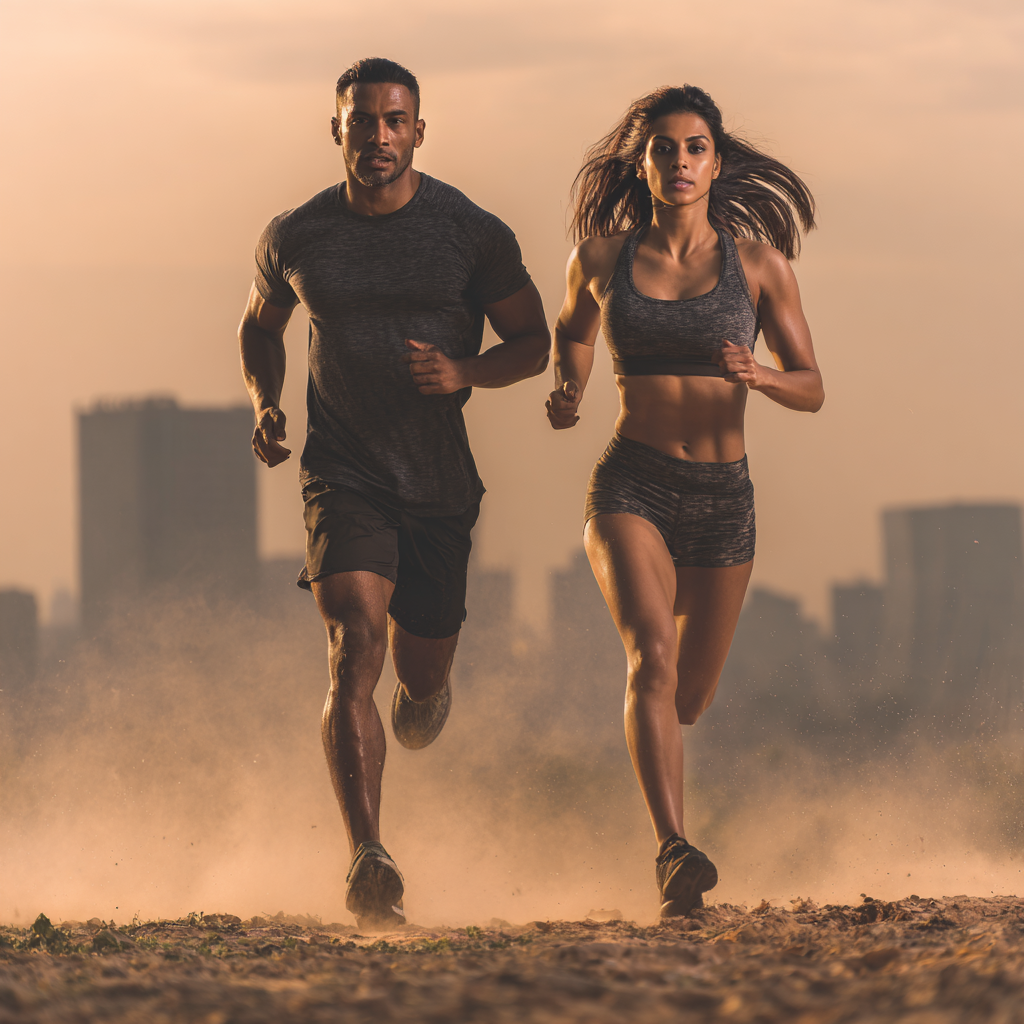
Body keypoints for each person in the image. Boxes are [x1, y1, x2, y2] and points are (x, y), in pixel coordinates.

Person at [239, 57, 550, 929]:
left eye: (393, 121)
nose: (377, 136)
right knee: (353, 642)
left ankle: (426, 692)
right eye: (361, 120)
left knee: (415, 675)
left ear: (418, 130)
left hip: (439, 485)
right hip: (342, 472)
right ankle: (367, 855)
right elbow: (258, 327)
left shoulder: (470, 231)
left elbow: (533, 340)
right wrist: (266, 403)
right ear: (334, 130)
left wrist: (466, 370)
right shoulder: (296, 234)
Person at [546, 85, 823, 918]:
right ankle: (673, 849)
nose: (679, 161)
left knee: (690, 696)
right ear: (643, 164)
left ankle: (668, 789)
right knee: (652, 662)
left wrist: (762, 375)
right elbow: (572, 333)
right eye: (663, 148)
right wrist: (569, 388)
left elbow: (812, 386)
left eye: (694, 147)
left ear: (717, 161)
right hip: (631, 481)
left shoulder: (760, 266)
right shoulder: (600, 259)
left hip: (722, 500)